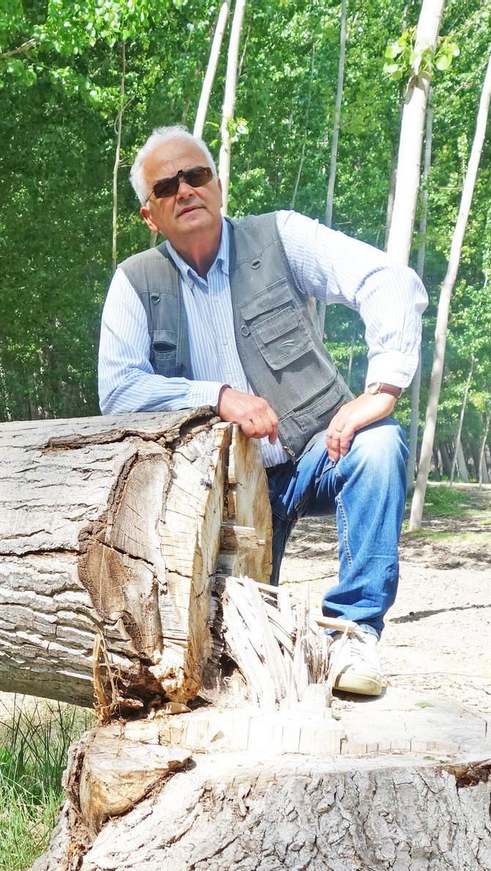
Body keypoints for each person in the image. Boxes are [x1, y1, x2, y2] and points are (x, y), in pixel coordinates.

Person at [98, 125, 427, 696]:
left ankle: (351, 635)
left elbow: (388, 279)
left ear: (218, 186)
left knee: (380, 443)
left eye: (196, 176)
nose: (186, 190)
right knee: (228, 660)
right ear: (150, 215)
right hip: (217, 492)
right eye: (167, 186)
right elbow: (118, 392)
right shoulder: (134, 282)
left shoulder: (280, 237)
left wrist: (382, 390)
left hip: (315, 453)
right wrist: (219, 397)